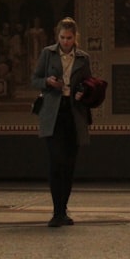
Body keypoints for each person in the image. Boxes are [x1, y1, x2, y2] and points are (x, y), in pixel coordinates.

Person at [31, 17, 93, 227]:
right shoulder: (47, 54)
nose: (66, 42)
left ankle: (63, 210)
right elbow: (35, 79)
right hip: (53, 113)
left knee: (69, 164)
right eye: (63, 38)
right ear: (57, 37)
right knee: (56, 161)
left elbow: (89, 84)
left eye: (69, 38)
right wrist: (47, 82)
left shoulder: (84, 58)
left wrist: (82, 93)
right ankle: (56, 211)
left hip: (73, 113)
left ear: (76, 37)